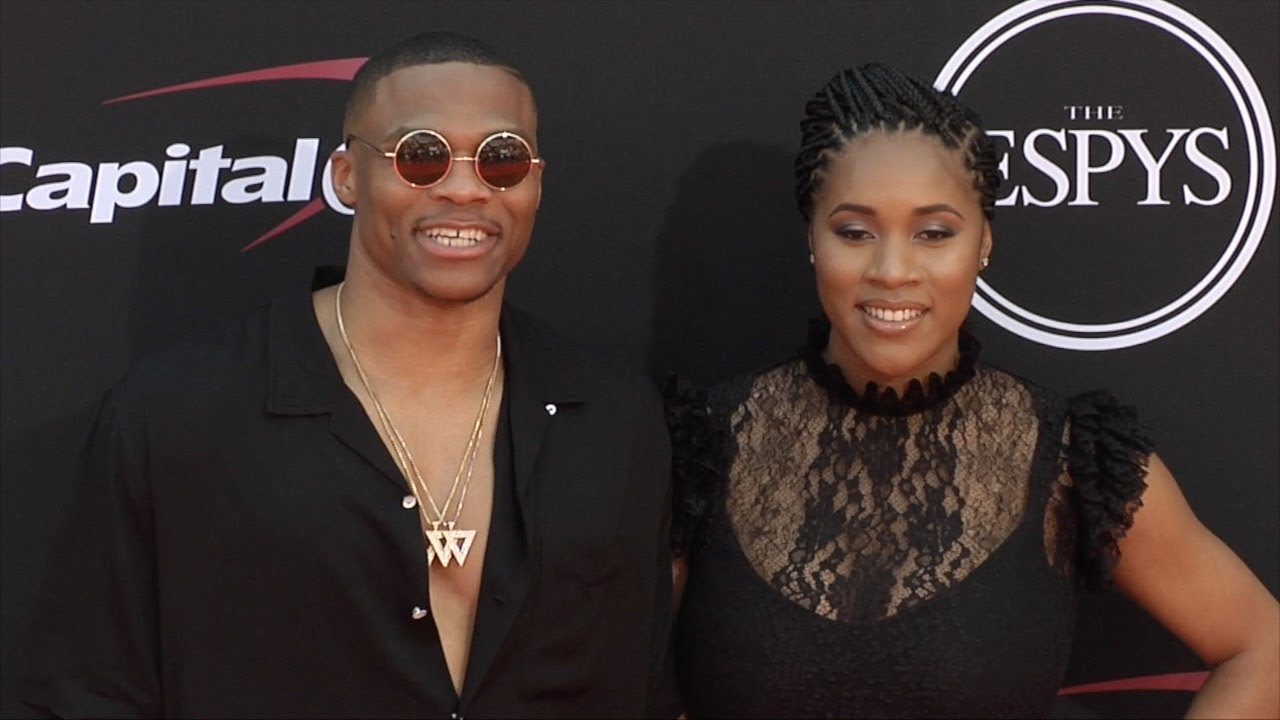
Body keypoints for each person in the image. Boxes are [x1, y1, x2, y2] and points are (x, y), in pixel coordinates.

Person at [20, 31, 676, 719]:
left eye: (500, 159)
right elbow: (88, 692)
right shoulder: (178, 410)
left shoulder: (612, 417)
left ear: (535, 182)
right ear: (345, 176)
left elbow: (641, 685)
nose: (463, 188)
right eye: (420, 157)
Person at [666, 63, 1279, 718]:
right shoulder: (700, 446)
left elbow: (1261, 646)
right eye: (854, 231)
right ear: (811, 240)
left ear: (983, 241)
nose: (892, 270)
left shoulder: (1072, 459)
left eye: (934, 232)